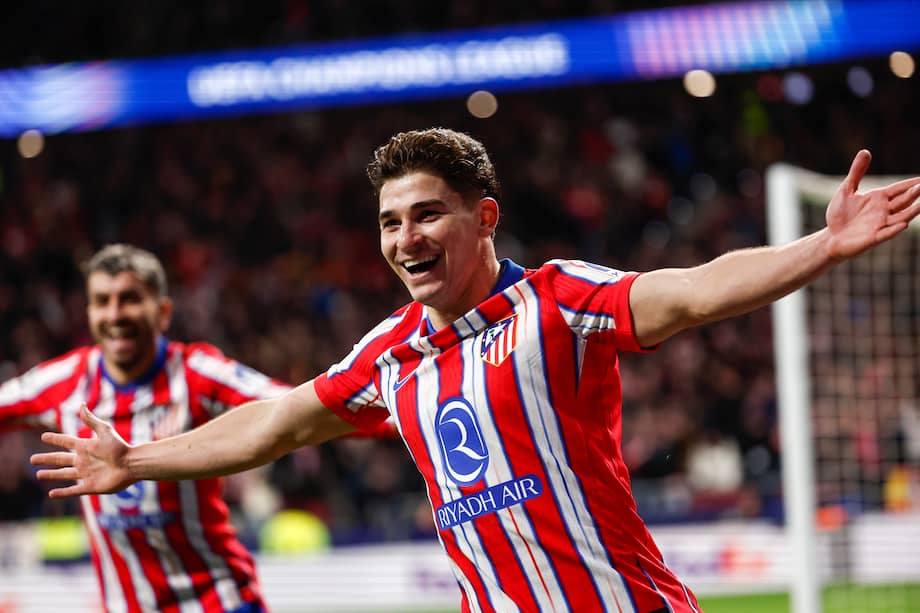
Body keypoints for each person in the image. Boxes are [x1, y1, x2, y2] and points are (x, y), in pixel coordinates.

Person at [32, 129, 920, 612]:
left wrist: (822, 246)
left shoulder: (559, 302)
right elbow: (274, 423)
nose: (405, 239)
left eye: (427, 216)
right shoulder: (387, 355)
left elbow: (690, 292)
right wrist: (135, 461)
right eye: (388, 223)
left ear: (484, 216)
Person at [3, 244, 292, 613]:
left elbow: (300, 406)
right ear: (89, 312)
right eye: (102, 301)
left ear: (164, 312)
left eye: (129, 299)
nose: (115, 313)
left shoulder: (196, 373)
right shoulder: (63, 383)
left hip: (220, 603)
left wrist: (385, 411)